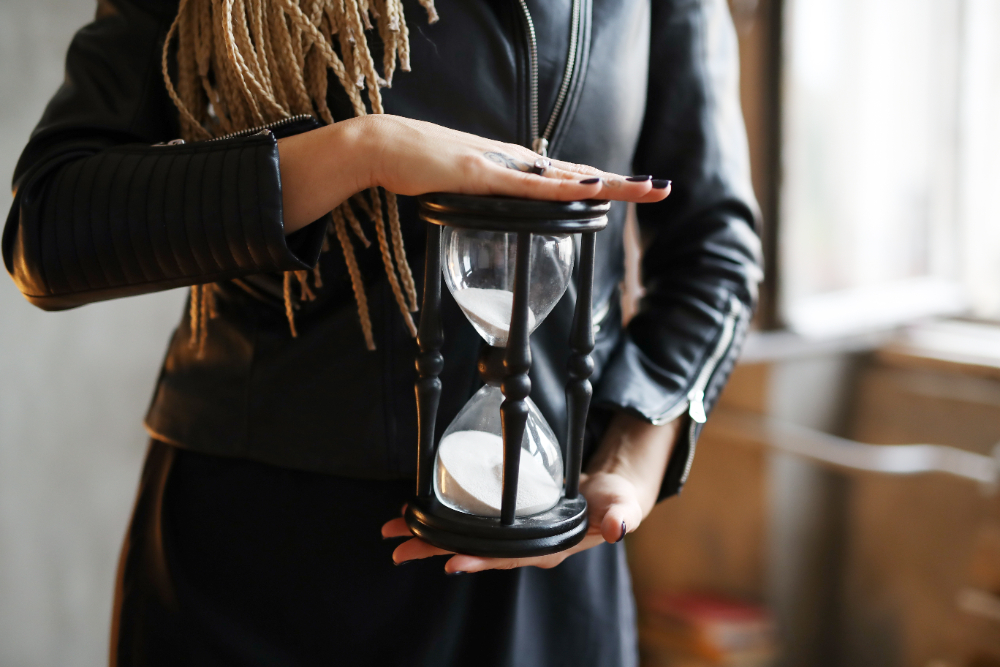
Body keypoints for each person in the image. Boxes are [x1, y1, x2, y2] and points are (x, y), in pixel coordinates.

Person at [3, 0, 762, 664]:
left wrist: (631, 458)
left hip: (541, 543)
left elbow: (715, 250)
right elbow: (51, 226)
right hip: (257, 555)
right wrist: (358, 151)